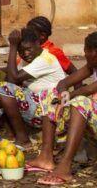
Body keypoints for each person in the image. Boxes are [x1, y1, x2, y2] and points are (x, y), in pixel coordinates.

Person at [0, 27, 66, 145]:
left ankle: (22, 138)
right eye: (21, 51)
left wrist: (12, 47)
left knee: (4, 89)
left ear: (38, 43)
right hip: (35, 104)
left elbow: (13, 79)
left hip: (47, 110)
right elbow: (9, 79)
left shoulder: (46, 59)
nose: (25, 54)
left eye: (28, 49)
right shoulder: (27, 60)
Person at [30, 32, 97, 185]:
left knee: (80, 101)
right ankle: (45, 157)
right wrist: (62, 97)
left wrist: (71, 96)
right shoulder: (92, 66)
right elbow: (64, 83)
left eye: (86, 50)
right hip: (92, 120)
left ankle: (65, 167)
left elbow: (88, 90)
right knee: (51, 96)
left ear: (95, 53)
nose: (84, 53)